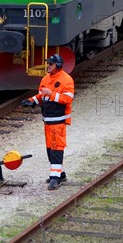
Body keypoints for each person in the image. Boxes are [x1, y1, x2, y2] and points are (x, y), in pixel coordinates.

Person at [21, 53, 75, 190]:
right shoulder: (46, 79)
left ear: (58, 65)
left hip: (58, 122)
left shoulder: (67, 80)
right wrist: (31, 101)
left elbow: (67, 99)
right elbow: (41, 95)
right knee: (50, 150)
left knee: (57, 150)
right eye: (48, 63)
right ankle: (60, 174)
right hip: (48, 122)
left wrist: (51, 94)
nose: (48, 66)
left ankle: (55, 178)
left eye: (50, 64)